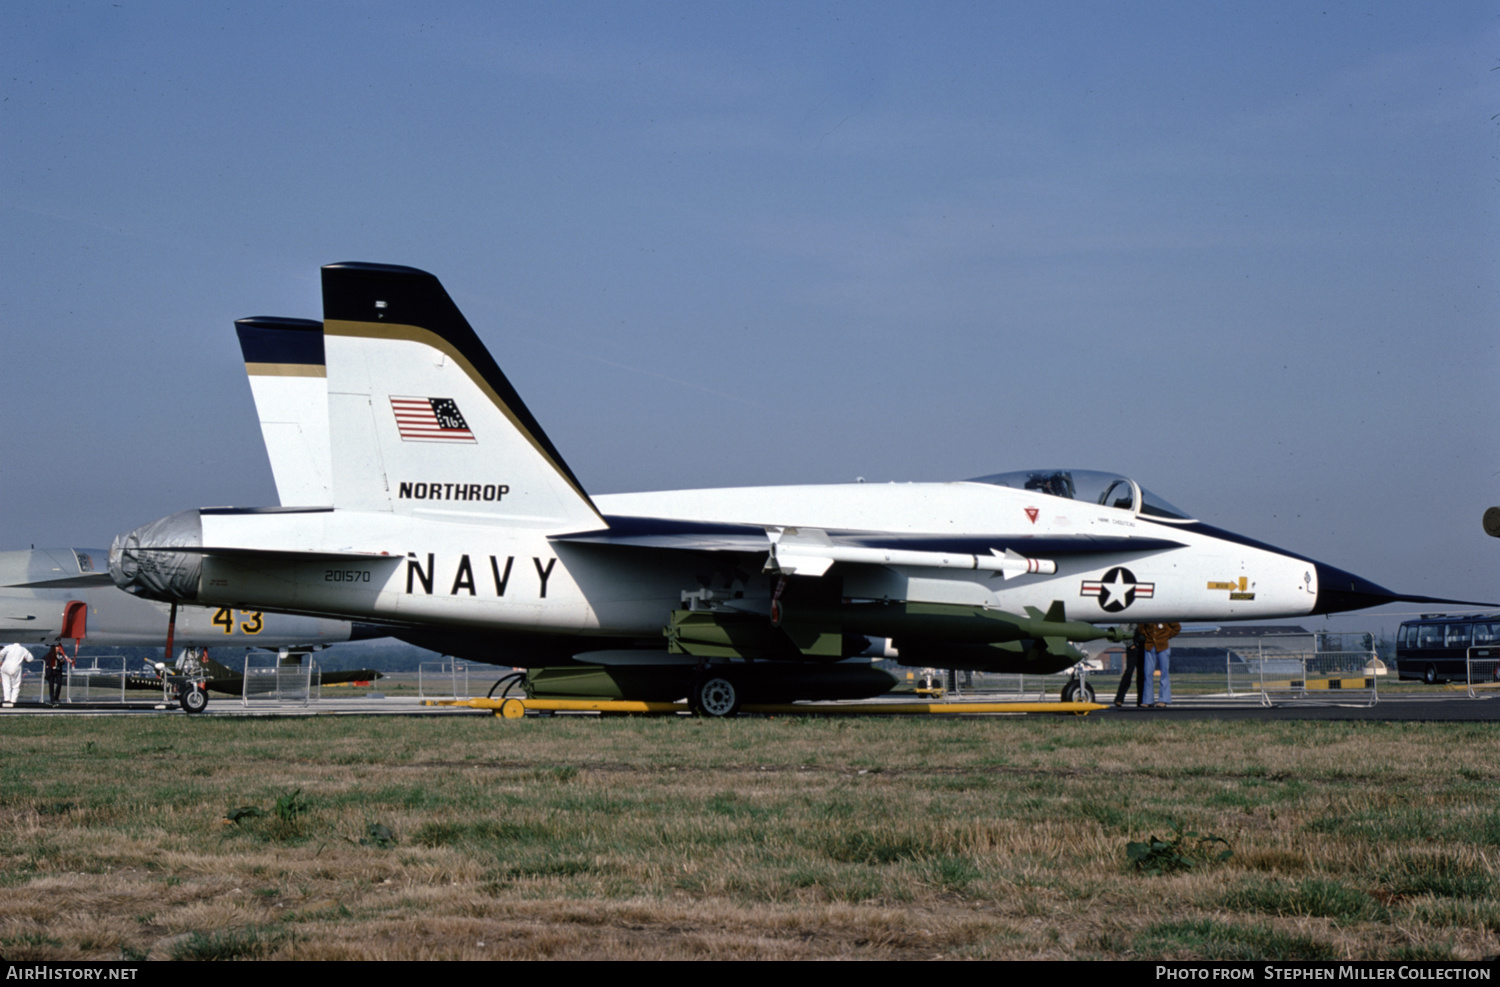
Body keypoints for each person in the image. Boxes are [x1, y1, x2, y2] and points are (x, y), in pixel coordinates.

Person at [1141, 622, 1181, 707]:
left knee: (1164, 673)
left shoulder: (1166, 614)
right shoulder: (1148, 614)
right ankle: (1148, 700)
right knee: (1147, 673)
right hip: (1149, 646)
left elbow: (1177, 627)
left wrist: (1166, 636)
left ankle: (1163, 699)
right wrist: (1147, 636)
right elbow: (1141, 627)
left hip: (1163, 646)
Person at [1113, 624, 1147, 707]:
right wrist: (1130, 644)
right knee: (1129, 672)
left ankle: (1141, 700)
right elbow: (1123, 629)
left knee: (1142, 674)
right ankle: (1119, 699)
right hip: (1133, 646)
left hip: (1144, 645)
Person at [1, 642, 37, 707]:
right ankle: (13, 700)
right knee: (16, 685)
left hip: (5, 667)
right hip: (15, 668)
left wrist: (0, 661)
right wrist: (25, 659)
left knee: (6, 683)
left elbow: (1, 653)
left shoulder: (9, 647)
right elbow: (30, 658)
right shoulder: (23, 649)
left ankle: (7, 699)